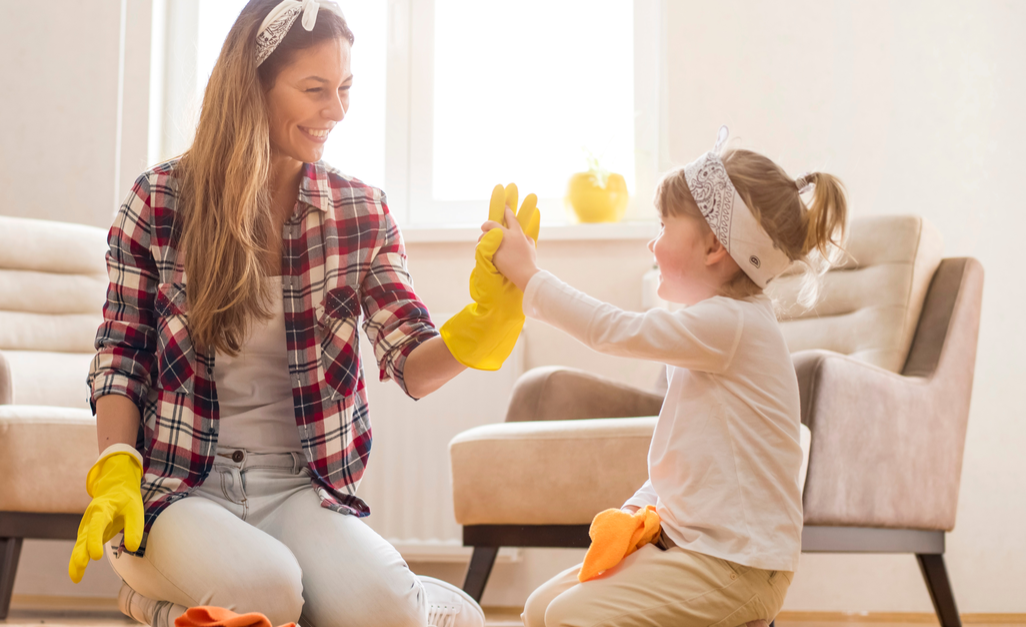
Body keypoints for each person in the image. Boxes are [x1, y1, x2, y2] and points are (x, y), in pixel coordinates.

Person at [65, 1, 536, 625]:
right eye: (315, 90)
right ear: (252, 86)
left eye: (345, 89)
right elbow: (121, 353)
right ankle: (149, 602)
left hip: (298, 487)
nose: (336, 111)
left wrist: (485, 321)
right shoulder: (159, 201)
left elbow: (412, 365)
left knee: (383, 614)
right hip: (178, 487)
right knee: (269, 592)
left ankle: (402, 603)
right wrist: (116, 466)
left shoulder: (360, 212)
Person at [484, 127, 848, 627]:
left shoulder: (733, 324)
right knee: (540, 609)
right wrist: (637, 514)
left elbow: (613, 330)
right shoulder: (713, 332)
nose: (651, 244)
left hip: (739, 568)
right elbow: (685, 463)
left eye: (662, 226)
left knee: (572, 616)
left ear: (715, 246)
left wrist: (530, 277)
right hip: (692, 550)